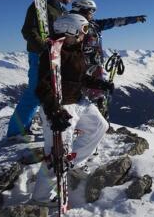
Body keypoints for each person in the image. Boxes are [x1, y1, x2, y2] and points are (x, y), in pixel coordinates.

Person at [32, 13, 112, 206]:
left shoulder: (76, 50)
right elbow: (42, 87)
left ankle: (71, 163)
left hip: (79, 102)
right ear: (70, 29)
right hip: (61, 106)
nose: (86, 34)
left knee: (99, 127)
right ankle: (41, 197)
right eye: (84, 30)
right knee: (56, 154)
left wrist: (98, 84)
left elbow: (79, 78)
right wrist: (54, 111)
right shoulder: (52, 53)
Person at [7, 0, 77, 139]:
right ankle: (16, 132)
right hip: (39, 55)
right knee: (35, 92)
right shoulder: (40, 7)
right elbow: (28, 31)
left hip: (54, 56)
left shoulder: (60, 11)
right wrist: (43, 47)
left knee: (49, 91)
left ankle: (27, 126)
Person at [69, 0, 146, 119]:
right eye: (90, 11)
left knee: (99, 94)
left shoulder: (94, 25)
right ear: (81, 10)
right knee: (83, 97)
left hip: (95, 65)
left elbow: (115, 22)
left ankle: (98, 120)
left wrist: (134, 19)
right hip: (80, 67)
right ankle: (84, 122)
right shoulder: (70, 25)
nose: (92, 14)